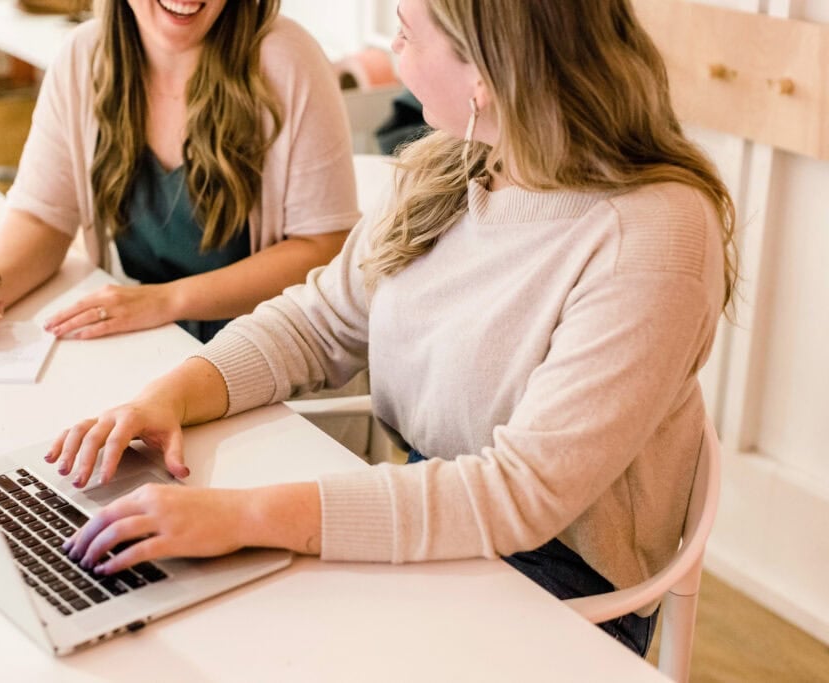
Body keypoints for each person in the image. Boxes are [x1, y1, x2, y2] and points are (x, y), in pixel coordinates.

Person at [47, 0, 737, 657]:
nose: (392, 54)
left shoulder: (654, 236)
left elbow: (519, 495)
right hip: (432, 515)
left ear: (489, 72)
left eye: (405, 32)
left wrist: (242, 516)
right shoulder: (456, 162)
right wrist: (170, 396)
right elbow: (317, 322)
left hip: (558, 594)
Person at [0, 0, 359, 344]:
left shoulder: (286, 59)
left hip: (262, 350)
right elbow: (43, 217)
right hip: (149, 339)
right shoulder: (82, 58)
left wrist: (167, 301)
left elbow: (324, 246)